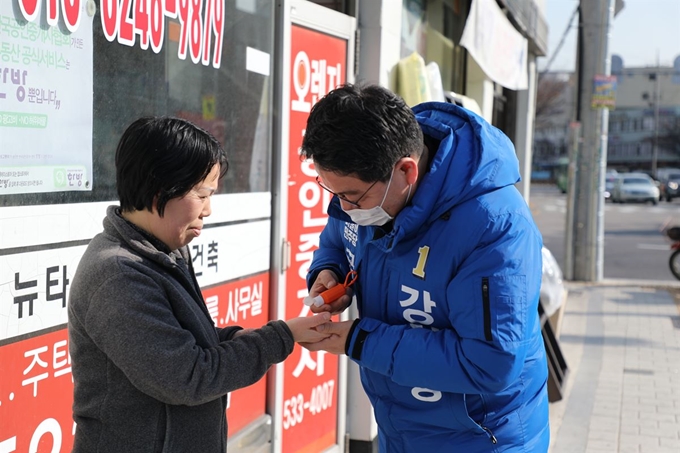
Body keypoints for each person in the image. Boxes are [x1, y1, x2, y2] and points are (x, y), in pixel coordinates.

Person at [300, 84, 549, 452]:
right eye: (332, 192)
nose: (345, 207)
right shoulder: (372, 188)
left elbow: (492, 362)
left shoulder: (494, 226)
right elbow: (338, 237)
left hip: (480, 438)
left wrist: (361, 340)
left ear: (406, 170)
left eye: (352, 197)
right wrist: (329, 271)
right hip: (400, 429)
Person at [68, 117, 331, 453]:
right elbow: (189, 377)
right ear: (159, 189)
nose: (208, 209)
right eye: (202, 194)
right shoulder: (119, 273)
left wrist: (235, 338)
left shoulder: (163, 249)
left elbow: (183, 341)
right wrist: (283, 336)